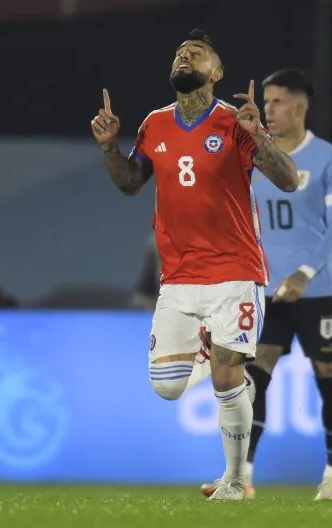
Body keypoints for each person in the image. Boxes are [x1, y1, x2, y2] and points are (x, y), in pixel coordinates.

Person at [90, 29, 299, 501]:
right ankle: (209, 345)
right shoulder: (154, 124)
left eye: (197, 53)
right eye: (180, 52)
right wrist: (107, 146)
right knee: (167, 389)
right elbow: (129, 182)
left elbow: (287, 180)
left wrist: (257, 135)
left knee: (228, 377)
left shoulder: (232, 121)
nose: (185, 56)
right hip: (179, 277)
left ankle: (234, 480)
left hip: (235, 271)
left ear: (216, 73)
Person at [200, 68, 332, 501]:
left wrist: (305, 272)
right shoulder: (252, 156)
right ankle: (241, 475)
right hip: (263, 289)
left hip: (320, 288)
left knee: (328, 372)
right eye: (265, 101)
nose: (268, 109)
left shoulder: (329, 159)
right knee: (254, 377)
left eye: (277, 102)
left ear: (301, 107)